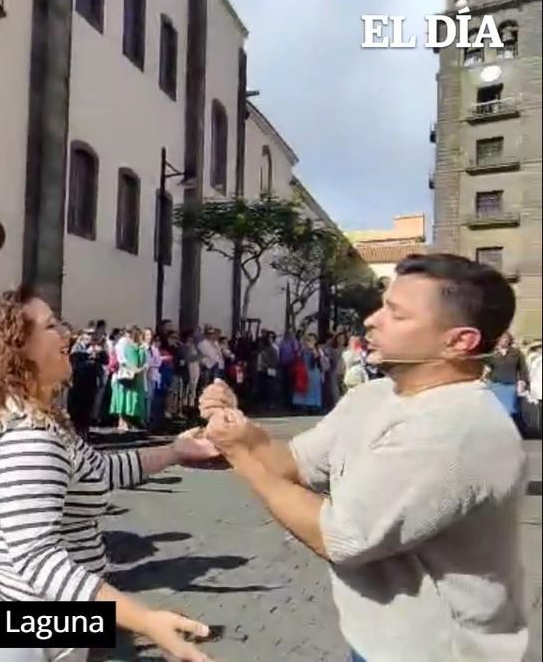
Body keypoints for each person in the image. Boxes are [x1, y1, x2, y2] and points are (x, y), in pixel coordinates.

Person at [199, 253, 529, 661]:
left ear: (459, 341)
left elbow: (340, 537)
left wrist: (239, 453)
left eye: (396, 313)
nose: (372, 320)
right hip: (377, 639)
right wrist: (239, 426)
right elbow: (293, 464)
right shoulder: (374, 394)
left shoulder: (458, 427)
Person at [0, 286, 218, 662]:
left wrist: (174, 451)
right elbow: (38, 558)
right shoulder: (28, 434)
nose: (66, 333)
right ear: (17, 348)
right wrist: (145, 620)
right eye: (51, 326)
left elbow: (98, 470)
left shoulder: (20, 411)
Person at [110, 327, 147, 431]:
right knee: (122, 397)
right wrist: (132, 368)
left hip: (135, 374)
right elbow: (122, 359)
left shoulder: (138, 345)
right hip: (125, 374)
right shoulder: (123, 343)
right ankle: (122, 421)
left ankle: (131, 420)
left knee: (132, 398)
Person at [485, 332, 526, 419]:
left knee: (510, 412)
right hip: (494, 385)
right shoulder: (492, 353)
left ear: (509, 340)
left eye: (505, 338)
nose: (503, 340)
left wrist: (522, 382)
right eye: (501, 338)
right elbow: (486, 367)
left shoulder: (516, 353)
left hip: (510, 386)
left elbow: (523, 369)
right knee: (495, 412)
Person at [291, 333, 325, 415]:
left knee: (313, 390)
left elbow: (318, 361)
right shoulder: (302, 350)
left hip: (314, 373)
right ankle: (303, 406)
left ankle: (313, 407)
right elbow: (297, 359)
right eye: (308, 340)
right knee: (303, 389)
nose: (309, 342)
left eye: (311, 340)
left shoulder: (318, 350)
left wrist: (313, 350)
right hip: (303, 372)